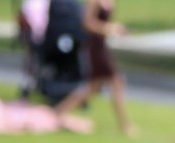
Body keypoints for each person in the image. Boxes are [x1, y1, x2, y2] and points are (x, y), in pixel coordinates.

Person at [54, 0, 134, 135]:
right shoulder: (94, 2)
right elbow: (87, 23)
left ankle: (59, 111)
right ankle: (125, 125)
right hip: (95, 48)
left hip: (102, 46)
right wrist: (110, 28)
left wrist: (115, 30)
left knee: (93, 87)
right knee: (116, 82)